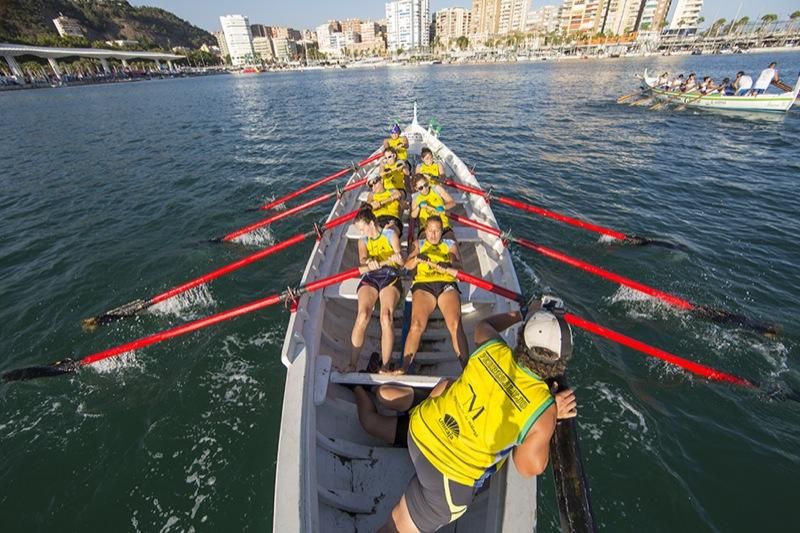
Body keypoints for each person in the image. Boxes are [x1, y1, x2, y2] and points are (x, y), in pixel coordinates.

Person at [377, 298, 578, 533]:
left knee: (449, 385)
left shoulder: (492, 347)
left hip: (421, 431)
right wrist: (551, 416)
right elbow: (527, 467)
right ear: (559, 363)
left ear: (522, 339)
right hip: (448, 479)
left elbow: (485, 324)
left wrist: (524, 313)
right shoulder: (543, 409)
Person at [395, 216, 469, 375]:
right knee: (416, 325)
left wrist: (449, 264)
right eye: (430, 231)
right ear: (425, 231)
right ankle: (404, 367)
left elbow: (459, 267)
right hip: (423, 285)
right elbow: (407, 266)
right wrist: (416, 259)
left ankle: (466, 367)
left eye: (437, 231)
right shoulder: (418, 244)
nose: (433, 235)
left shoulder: (449, 245)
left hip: (446, 284)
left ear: (442, 231)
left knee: (455, 324)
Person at [348, 208, 404, 373]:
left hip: (390, 275)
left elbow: (401, 262)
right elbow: (363, 260)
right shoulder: (363, 241)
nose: (361, 233)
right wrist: (369, 262)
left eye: (362, 229)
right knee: (363, 315)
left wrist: (398, 258)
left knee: (386, 317)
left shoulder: (390, 235)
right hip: (371, 277)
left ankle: (385, 366)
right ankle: (352, 364)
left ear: (372, 223)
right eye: (359, 230)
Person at [410, 174, 456, 240]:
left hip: (443, 225)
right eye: (421, 188)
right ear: (416, 189)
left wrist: (443, 207)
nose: (425, 189)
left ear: (427, 182)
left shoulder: (437, 189)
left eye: (426, 185)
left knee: (453, 247)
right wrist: (419, 207)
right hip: (426, 228)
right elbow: (413, 215)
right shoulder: (415, 197)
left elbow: (452, 202)